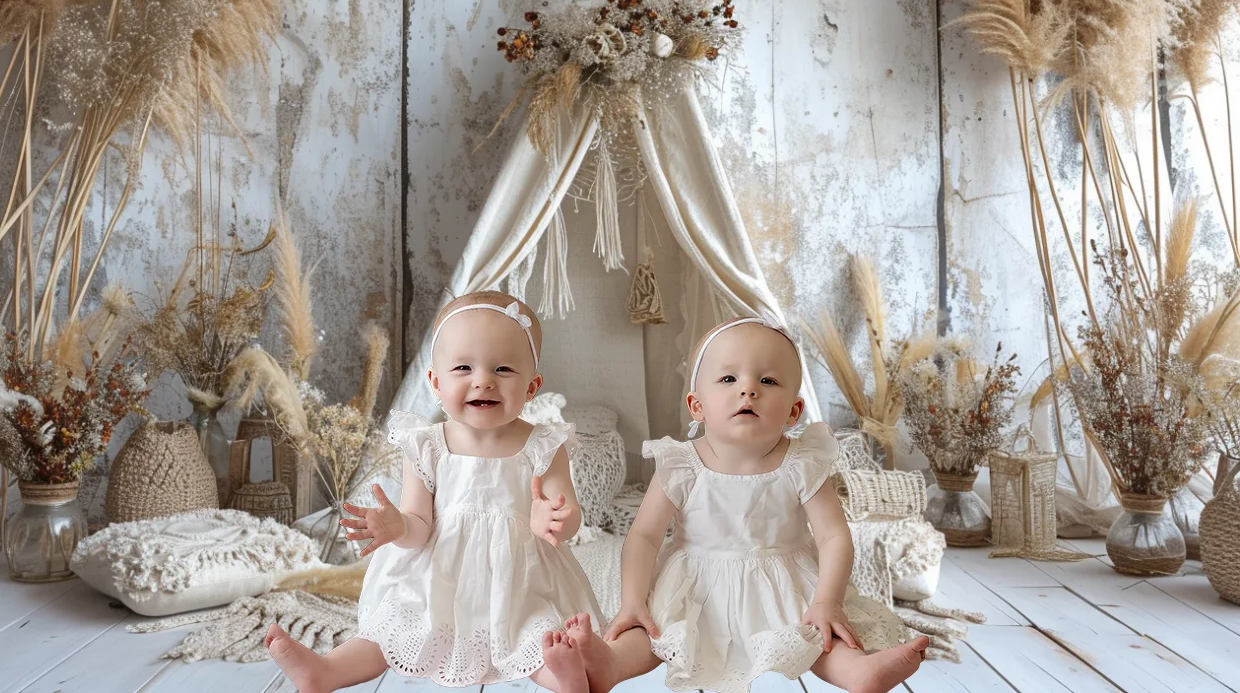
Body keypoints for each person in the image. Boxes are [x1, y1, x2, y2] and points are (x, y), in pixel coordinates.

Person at [562, 318, 929, 693]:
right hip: (695, 582)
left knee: (817, 635)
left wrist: (827, 601)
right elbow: (643, 536)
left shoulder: (802, 463)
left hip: (784, 581)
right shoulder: (681, 464)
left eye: (767, 381)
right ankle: (610, 663)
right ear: (697, 405)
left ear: (793, 411)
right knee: (654, 631)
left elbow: (834, 536)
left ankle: (858, 672)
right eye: (728, 380)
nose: (748, 390)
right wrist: (631, 601)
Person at [265, 291, 601, 693]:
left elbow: (568, 512)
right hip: (436, 577)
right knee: (391, 632)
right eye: (463, 367)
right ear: (436, 383)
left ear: (532, 386)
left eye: (504, 368)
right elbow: (419, 525)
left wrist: (554, 519)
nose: (483, 379)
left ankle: (563, 677)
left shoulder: (544, 445)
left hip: (519, 578)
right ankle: (326, 671)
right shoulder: (427, 445)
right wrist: (396, 525)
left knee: (537, 634)